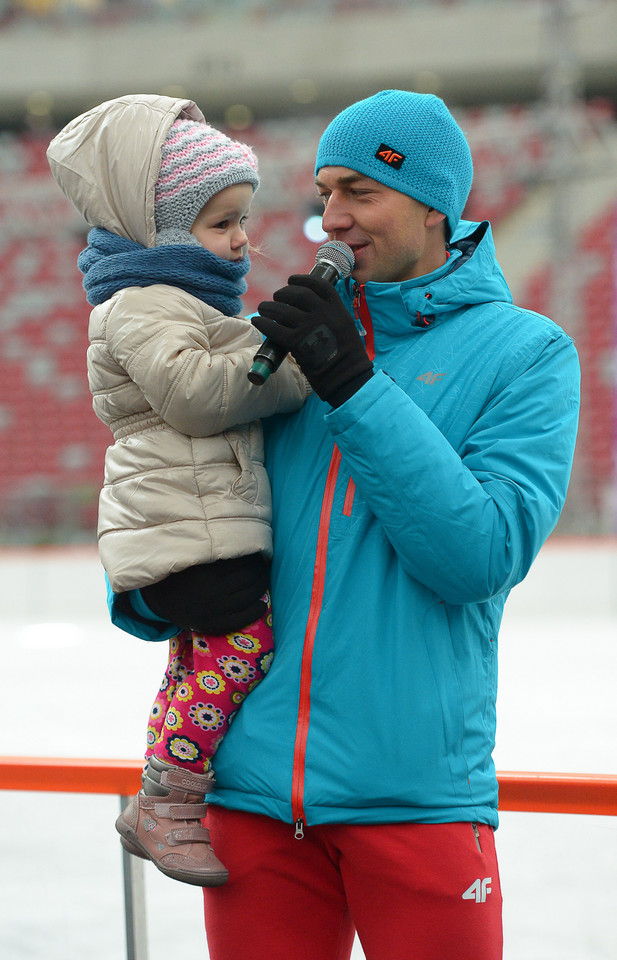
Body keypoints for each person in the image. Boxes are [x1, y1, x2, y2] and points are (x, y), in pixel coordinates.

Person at [105, 90, 580, 959]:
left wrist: (353, 384)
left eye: (359, 192)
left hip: (414, 799)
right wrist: (162, 586)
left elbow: (478, 555)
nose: (331, 220)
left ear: (434, 201)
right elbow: (175, 494)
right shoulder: (269, 346)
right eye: (323, 193)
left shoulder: (526, 351)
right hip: (245, 802)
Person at [46, 94, 307, 888]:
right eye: (221, 223)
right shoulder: (142, 304)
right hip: (183, 523)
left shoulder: (172, 300)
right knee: (240, 645)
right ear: (159, 230)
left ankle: (154, 791)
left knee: (198, 655)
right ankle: (171, 800)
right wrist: (292, 367)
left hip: (188, 519)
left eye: (241, 219)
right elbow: (197, 392)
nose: (240, 240)